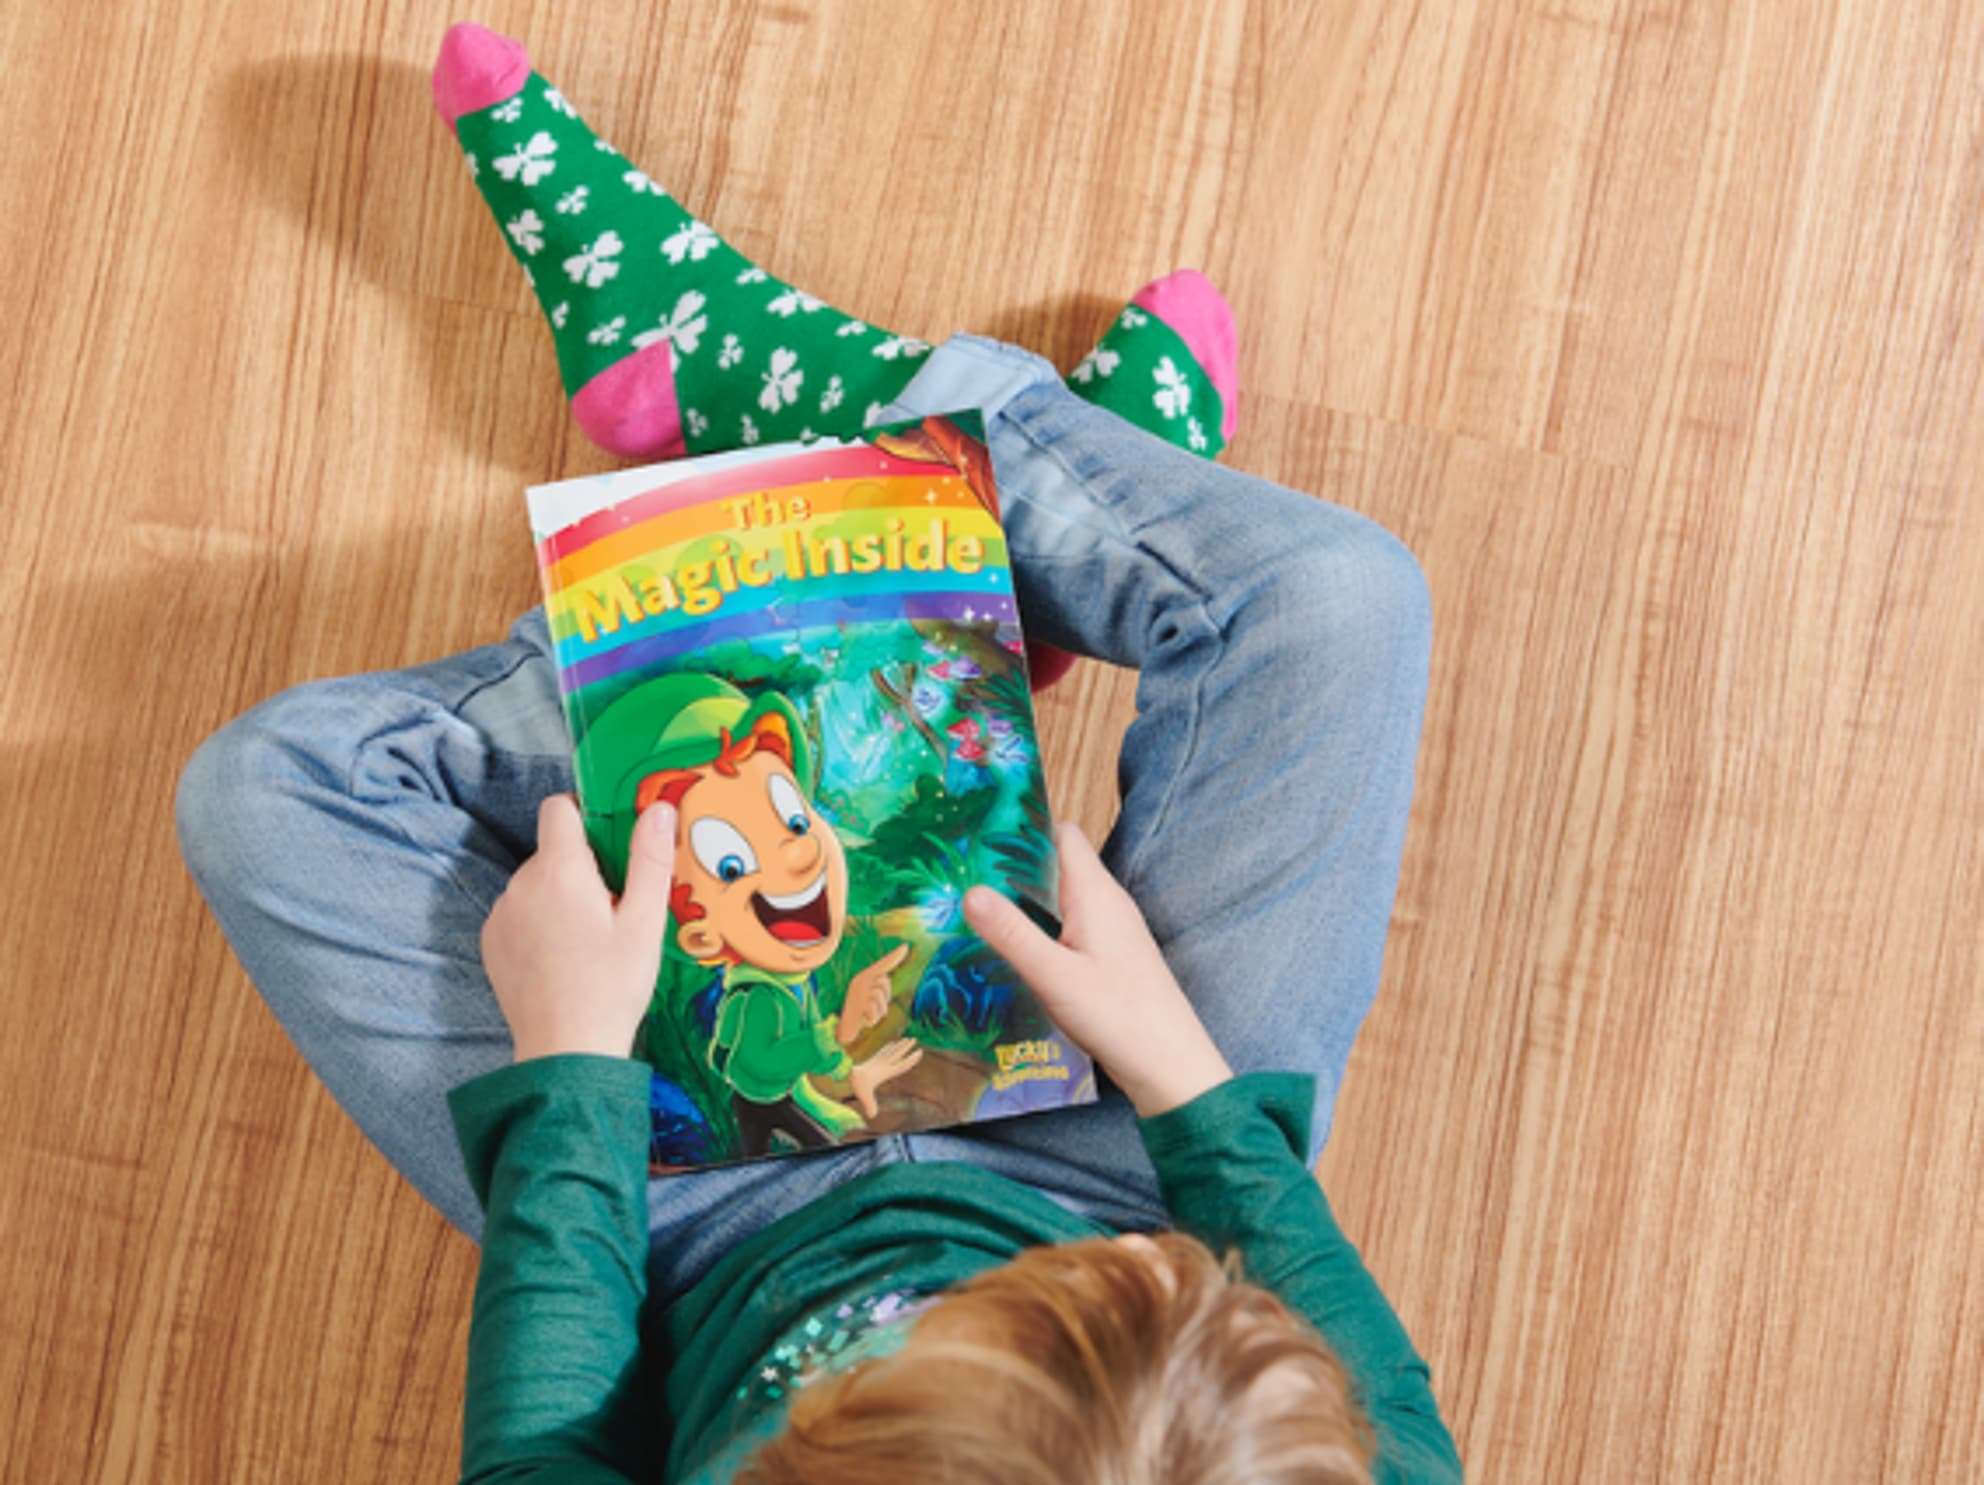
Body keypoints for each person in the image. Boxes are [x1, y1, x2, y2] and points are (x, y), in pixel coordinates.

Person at [172, 23, 1462, 1483]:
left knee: (267, 796)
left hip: (697, 1228)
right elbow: (1363, 1380)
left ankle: (837, 546)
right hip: (1131, 1153)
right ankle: (921, 506)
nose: (940, 1295)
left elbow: (548, 1434)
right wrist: (1180, 1079)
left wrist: (579, 1078)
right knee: (1335, 607)